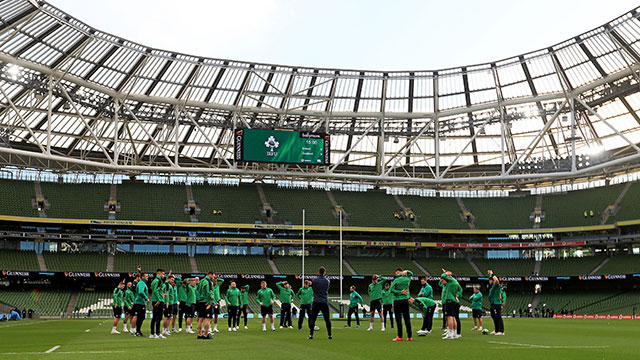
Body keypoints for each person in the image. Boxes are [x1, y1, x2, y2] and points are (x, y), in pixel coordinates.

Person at [308, 267, 332, 340]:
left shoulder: (314, 280)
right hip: (324, 301)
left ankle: (311, 334)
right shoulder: (327, 281)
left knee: (313, 318)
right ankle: (329, 335)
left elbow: (313, 288)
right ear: (324, 272)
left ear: (318, 272)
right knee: (327, 318)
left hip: (316, 301)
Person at [390, 267, 412, 341]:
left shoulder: (396, 280)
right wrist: (406, 271)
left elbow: (391, 290)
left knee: (398, 319)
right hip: (405, 300)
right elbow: (411, 273)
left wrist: (399, 292)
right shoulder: (407, 279)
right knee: (407, 318)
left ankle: (400, 336)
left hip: (397, 300)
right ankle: (409, 336)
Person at [441, 269, 462, 340]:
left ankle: (450, 334)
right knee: (453, 318)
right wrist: (458, 296)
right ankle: (455, 333)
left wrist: (445, 273)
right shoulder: (456, 282)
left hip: (449, 301)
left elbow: (442, 276)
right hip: (454, 301)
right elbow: (460, 290)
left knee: (449, 317)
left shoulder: (451, 281)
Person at [196, 272, 214, 339]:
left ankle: (199, 334)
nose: (214, 277)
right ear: (210, 275)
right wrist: (210, 302)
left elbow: (198, 289)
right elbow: (209, 292)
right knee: (207, 319)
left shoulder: (201, 281)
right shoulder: (208, 281)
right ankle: (206, 334)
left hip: (200, 301)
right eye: (213, 275)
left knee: (200, 319)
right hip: (206, 301)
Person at [149, 269, 166, 339]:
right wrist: (159, 299)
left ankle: (152, 333)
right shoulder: (159, 280)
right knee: (158, 317)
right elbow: (156, 290)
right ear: (160, 273)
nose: (164, 275)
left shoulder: (154, 281)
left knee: (154, 317)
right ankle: (157, 333)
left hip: (154, 300)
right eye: (163, 274)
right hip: (158, 301)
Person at [488, 270, 505, 335]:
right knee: (494, 316)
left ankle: (501, 331)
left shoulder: (496, 285)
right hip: (493, 303)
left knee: (498, 316)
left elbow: (497, 280)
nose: (489, 281)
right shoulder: (492, 287)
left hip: (496, 303)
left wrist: (492, 274)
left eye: (490, 280)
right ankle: (496, 330)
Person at [133, 272, 149, 337]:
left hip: (139, 302)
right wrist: (146, 298)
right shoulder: (142, 283)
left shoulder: (141, 283)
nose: (147, 277)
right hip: (140, 302)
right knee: (141, 317)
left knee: (140, 317)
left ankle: (137, 331)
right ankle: (138, 331)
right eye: (146, 276)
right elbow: (141, 291)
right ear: (142, 277)